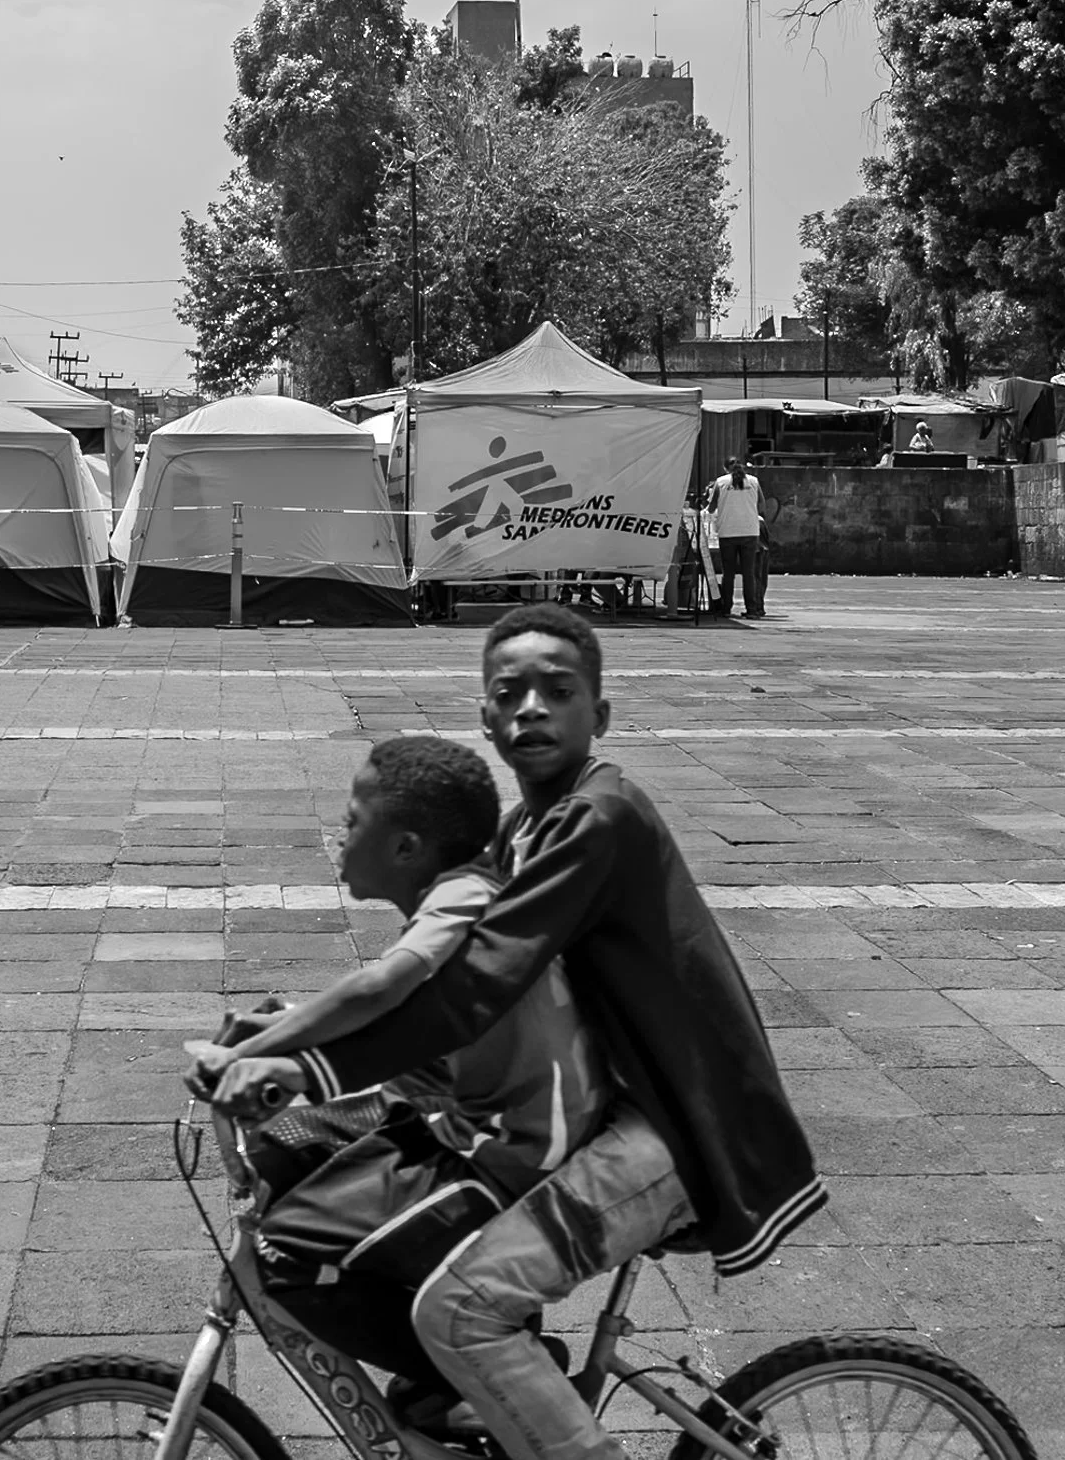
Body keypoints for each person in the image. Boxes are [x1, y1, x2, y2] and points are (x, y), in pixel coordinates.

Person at [211, 603, 823, 1460]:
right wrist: (290, 1033)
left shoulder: (598, 817)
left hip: (676, 1128)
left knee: (456, 1306)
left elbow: (477, 988)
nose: (533, 706)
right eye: (511, 692)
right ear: (486, 719)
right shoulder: (526, 826)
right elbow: (436, 975)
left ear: (598, 716)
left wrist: (310, 1067)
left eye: (558, 690)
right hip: (617, 1107)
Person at [188, 735, 607, 1384]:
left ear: (407, 848)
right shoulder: (461, 892)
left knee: (281, 1257)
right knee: (285, 1147)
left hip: (506, 1149)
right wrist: (281, 1031)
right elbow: (395, 1017)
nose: (339, 832)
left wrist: (249, 1051)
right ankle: (448, 1356)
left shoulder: (465, 895)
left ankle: (500, 1376)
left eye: (353, 821)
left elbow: (381, 988)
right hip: (450, 1111)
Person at [703, 456, 765, 619]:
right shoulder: (754, 481)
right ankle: (751, 610)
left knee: (728, 573)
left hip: (728, 532)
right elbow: (762, 505)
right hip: (750, 532)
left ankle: (726, 608)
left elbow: (711, 508)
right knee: (748, 573)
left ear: (725, 469)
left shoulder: (721, 482)